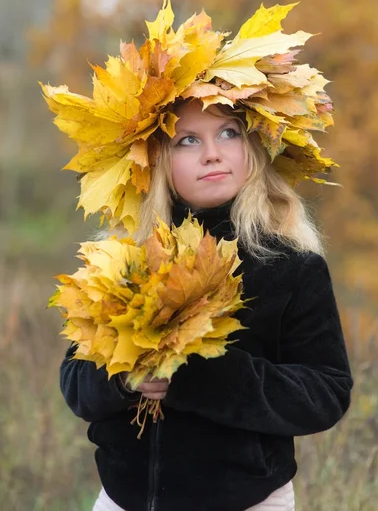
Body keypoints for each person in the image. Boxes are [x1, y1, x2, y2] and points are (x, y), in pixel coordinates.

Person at [60, 98, 353, 511]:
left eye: (228, 133)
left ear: (250, 147)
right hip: (124, 500)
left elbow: (326, 393)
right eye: (188, 140)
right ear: (158, 160)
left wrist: (204, 379)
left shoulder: (291, 267)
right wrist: (127, 379)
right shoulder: (126, 258)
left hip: (247, 502)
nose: (212, 152)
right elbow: (75, 384)